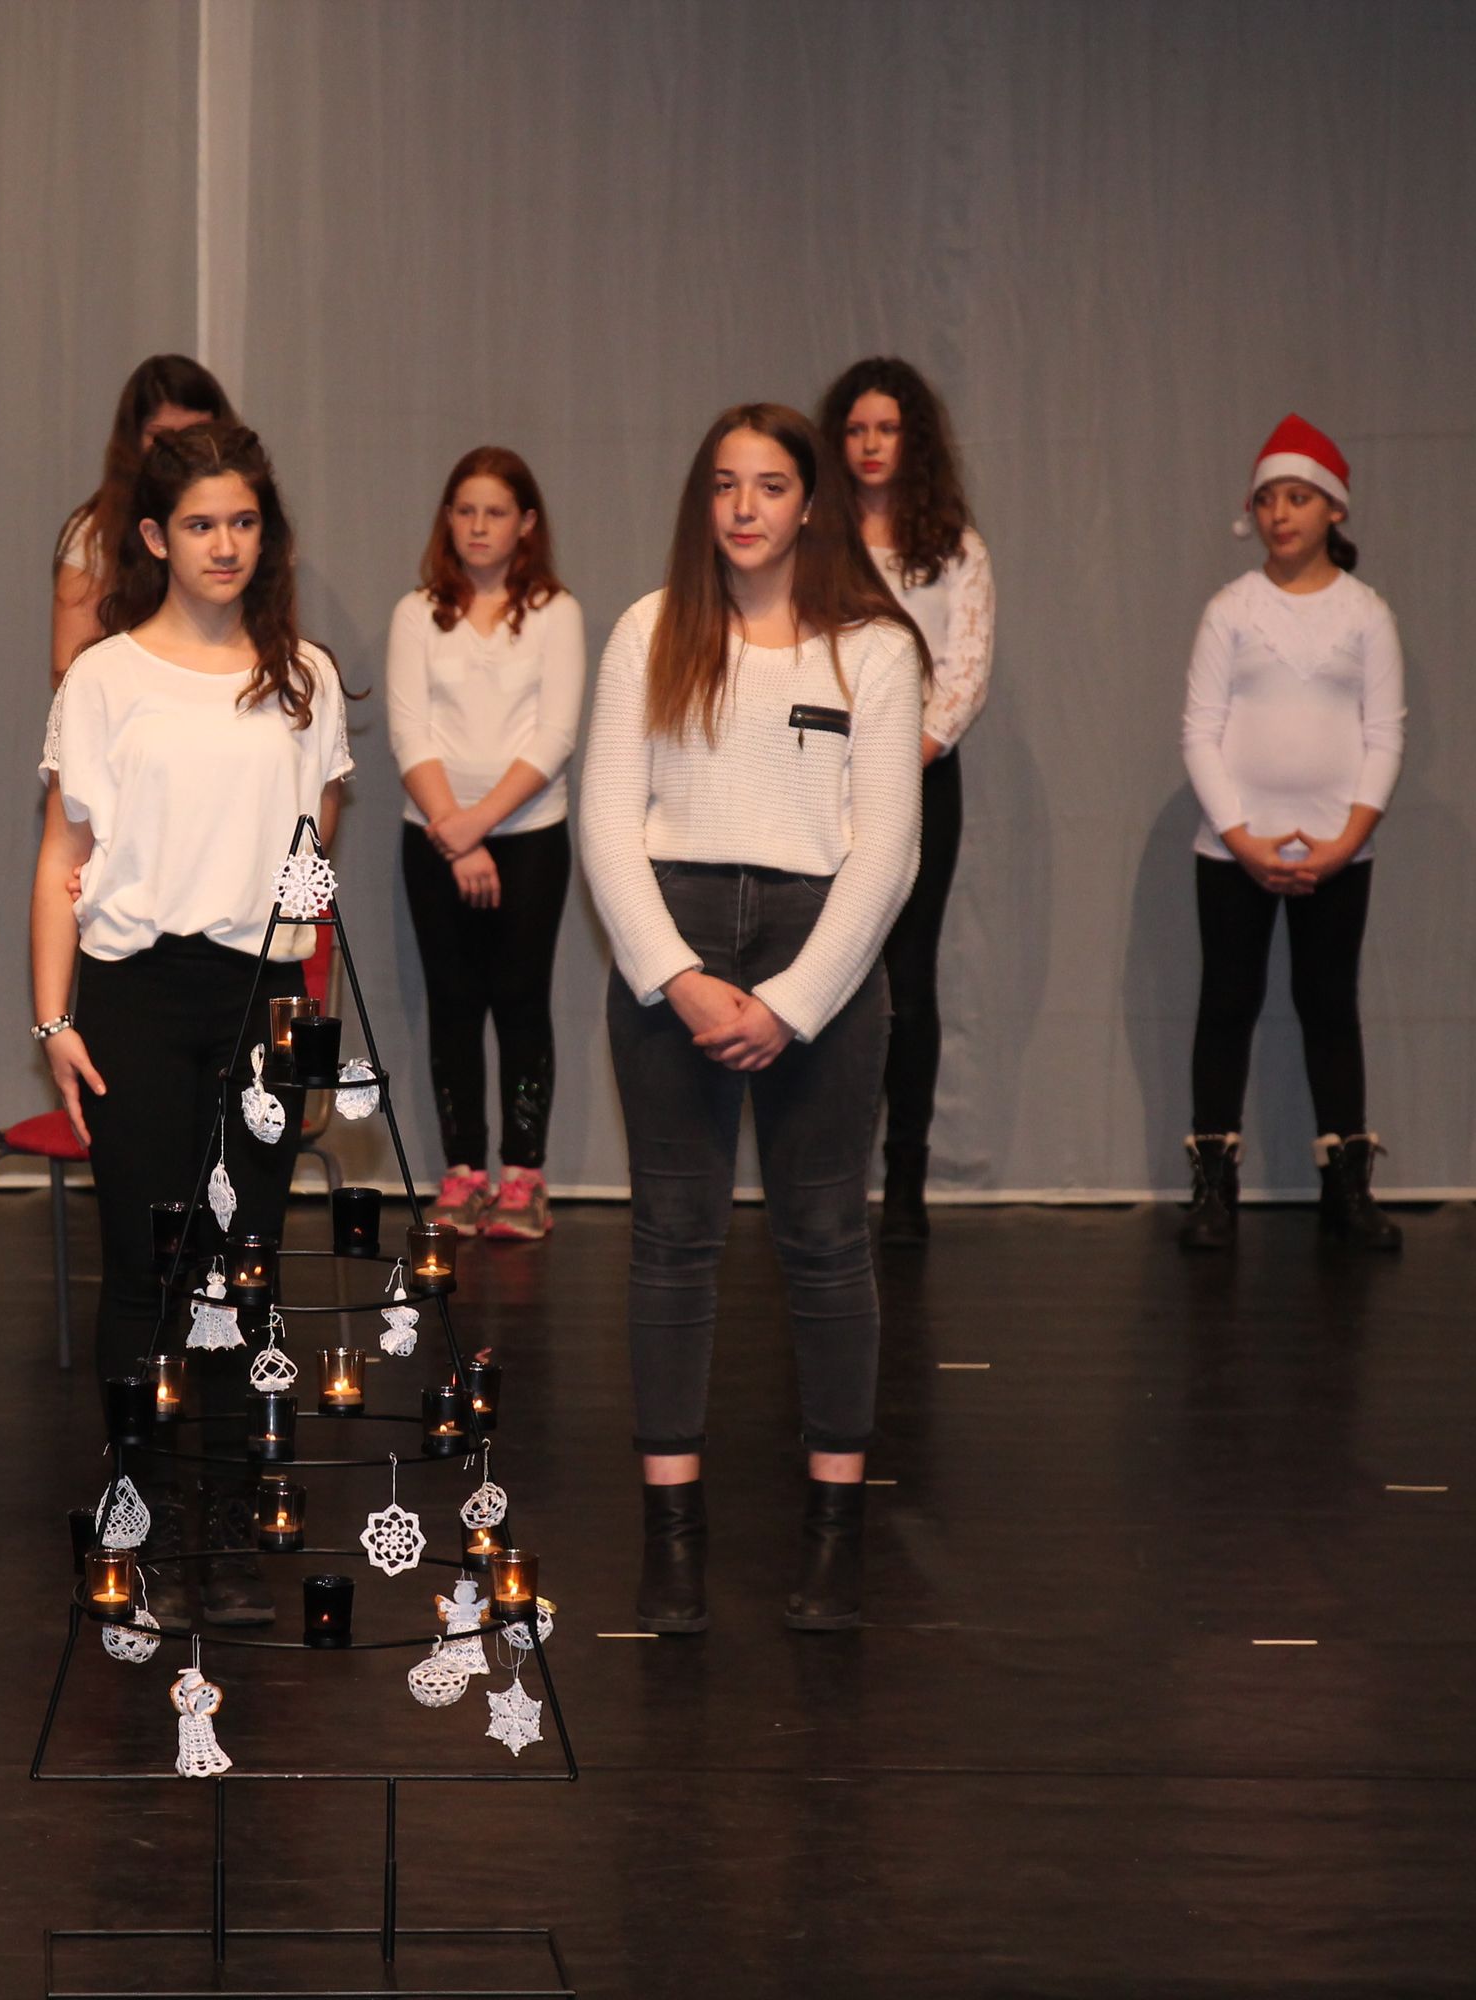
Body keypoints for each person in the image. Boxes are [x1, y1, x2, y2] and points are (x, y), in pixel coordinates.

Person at [578, 404, 926, 1636]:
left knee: (825, 1238)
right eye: (725, 483)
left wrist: (791, 1001)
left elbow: (887, 852)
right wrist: (675, 974)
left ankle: (835, 1539)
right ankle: (672, 1544)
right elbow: (605, 823)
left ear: (809, 502)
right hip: (672, 946)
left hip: (817, 949)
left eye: (770, 485)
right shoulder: (649, 629)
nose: (744, 507)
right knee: (672, 1239)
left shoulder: (875, 648)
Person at [33, 421, 351, 1624]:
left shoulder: (306, 676)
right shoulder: (105, 677)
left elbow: (315, 856)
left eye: (245, 521)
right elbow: (61, 855)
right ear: (157, 538)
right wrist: (54, 1019)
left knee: (244, 1266)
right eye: (203, 524)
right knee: (147, 1263)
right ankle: (140, 1517)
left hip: (259, 997)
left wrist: (307, 1017)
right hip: (136, 992)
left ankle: (228, 1521)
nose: (227, 544)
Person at [1176, 415, 1407, 1254]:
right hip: (1233, 851)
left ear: (1333, 510)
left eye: (1298, 498)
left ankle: (1346, 1189)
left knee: (1329, 1007)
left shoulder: (1366, 614)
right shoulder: (1230, 611)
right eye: (1268, 499)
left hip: (1338, 852)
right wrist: (1241, 838)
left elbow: (1385, 734)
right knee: (1226, 1005)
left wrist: (1347, 840)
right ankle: (1213, 1190)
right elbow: (1200, 731)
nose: (1280, 514)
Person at [385, 447, 586, 1239]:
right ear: (447, 519)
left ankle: (523, 1178)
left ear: (525, 523)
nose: (477, 526)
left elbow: (556, 734)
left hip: (529, 839)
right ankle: (462, 1172)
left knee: (521, 1002)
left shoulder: (556, 613)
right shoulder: (416, 613)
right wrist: (456, 835)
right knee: (453, 1005)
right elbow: (409, 732)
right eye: (464, 510)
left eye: (495, 512)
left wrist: (481, 824)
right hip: (435, 841)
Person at [817, 359, 994, 1244]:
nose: (870, 445)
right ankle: (827, 1174)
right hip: (819, 780)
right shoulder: (814, 538)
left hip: (920, 778)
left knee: (908, 979)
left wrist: (899, 758)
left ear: (913, 438)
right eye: (855, 430)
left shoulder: (955, 547)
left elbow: (964, 674)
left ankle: (908, 1179)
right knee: (827, 971)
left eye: (886, 429)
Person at [52, 354, 238, 679]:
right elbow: (68, 671)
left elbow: (273, 635)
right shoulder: (94, 533)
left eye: (196, 433)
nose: (179, 452)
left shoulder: (253, 526)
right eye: (162, 439)